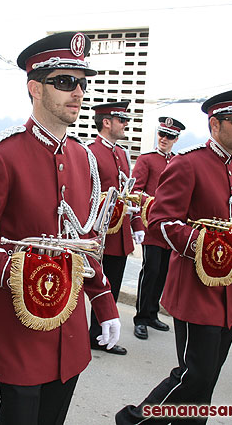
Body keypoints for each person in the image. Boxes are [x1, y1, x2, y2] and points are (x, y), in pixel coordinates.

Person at [0, 32, 121, 424]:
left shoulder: (85, 158)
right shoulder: (1, 154)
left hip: (69, 335)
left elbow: (86, 243)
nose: (78, 92)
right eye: (65, 82)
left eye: (83, 83)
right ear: (34, 88)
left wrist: (104, 304)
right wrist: (22, 273)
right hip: (17, 332)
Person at [116, 88, 232, 424]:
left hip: (227, 291)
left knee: (207, 381)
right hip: (196, 287)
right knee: (194, 373)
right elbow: (163, 223)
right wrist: (207, 244)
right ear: (215, 124)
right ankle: (135, 420)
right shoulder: (189, 163)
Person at [87, 100, 140, 355]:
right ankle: (90, 333)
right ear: (106, 122)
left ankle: (100, 333)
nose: (126, 124)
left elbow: (127, 192)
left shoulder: (121, 153)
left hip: (119, 234)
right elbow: (85, 195)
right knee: (94, 283)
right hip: (98, 232)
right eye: (121, 120)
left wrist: (134, 219)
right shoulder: (91, 152)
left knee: (113, 284)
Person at [131, 117, 184, 340]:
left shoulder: (178, 162)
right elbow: (136, 191)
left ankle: (152, 314)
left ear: (176, 139)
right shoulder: (147, 159)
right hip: (152, 226)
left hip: (169, 230)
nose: (164, 139)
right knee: (150, 271)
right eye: (161, 134)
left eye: (169, 136)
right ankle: (141, 318)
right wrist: (152, 206)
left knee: (163, 273)